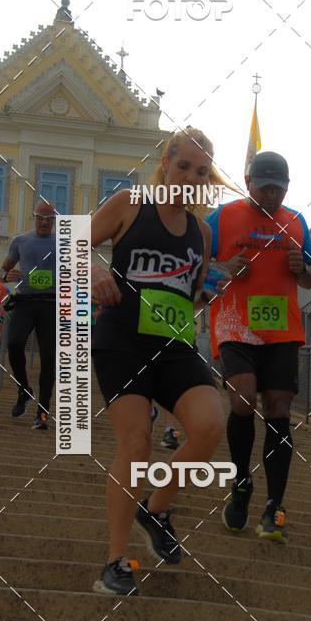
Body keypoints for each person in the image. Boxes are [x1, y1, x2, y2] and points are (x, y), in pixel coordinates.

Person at [90, 127, 225, 596]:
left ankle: (157, 506)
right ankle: (114, 560)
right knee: (136, 441)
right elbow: (71, 243)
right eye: (184, 165)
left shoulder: (202, 233)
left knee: (209, 425)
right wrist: (94, 268)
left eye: (201, 172)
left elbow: (190, 296)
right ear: (165, 162)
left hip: (173, 341)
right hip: (121, 337)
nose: (190, 177)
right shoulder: (130, 204)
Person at [206, 151, 311, 543]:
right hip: (235, 324)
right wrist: (222, 268)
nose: (271, 196)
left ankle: (274, 504)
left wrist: (300, 269)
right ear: (247, 181)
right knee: (242, 399)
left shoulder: (296, 222)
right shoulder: (221, 217)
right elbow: (193, 260)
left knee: (279, 409)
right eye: (264, 188)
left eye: (279, 189)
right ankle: (240, 483)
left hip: (281, 330)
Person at [0, 200, 57, 429]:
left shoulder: (64, 244)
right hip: (24, 302)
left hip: (51, 305)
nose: (44, 222)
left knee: (49, 359)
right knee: (14, 344)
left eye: (48, 219)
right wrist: (6, 277)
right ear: (34, 217)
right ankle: (24, 390)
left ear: (54, 220)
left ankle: (42, 414)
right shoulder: (21, 240)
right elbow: (3, 271)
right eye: (40, 217)